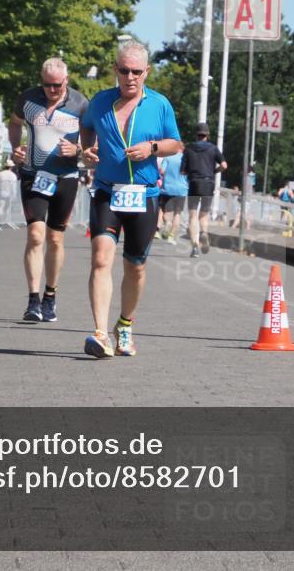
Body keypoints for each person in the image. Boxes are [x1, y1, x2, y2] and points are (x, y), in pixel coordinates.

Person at [79, 41, 182, 358]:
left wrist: (151, 148)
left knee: (135, 266)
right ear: (115, 70)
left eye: (137, 71)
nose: (130, 77)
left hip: (144, 196)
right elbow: (85, 129)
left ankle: (124, 324)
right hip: (108, 191)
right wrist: (88, 150)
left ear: (146, 72)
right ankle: (99, 333)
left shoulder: (160, 104)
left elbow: (176, 144)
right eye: (124, 70)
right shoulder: (100, 102)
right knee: (100, 258)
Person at [9, 57, 89, 323]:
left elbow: (93, 144)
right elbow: (15, 122)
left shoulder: (80, 103)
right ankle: (33, 300)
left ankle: (50, 296)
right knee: (35, 234)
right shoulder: (28, 99)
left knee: (55, 239)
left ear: (66, 81)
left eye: (57, 85)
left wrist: (78, 150)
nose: (52, 90)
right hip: (33, 174)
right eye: (47, 85)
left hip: (65, 176)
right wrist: (15, 148)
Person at [181, 122, 227, 257]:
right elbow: (224, 165)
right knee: (204, 214)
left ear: (196, 135)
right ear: (207, 135)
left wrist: (191, 171)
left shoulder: (188, 149)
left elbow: (183, 171)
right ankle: (204, 233)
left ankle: (195, 246)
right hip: (208, 183)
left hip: (194, 183)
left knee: (193, 215)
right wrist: (214, 171)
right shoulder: (213, 149)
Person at [157, 150, 187, 244]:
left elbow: (162, 171)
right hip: (182, 190)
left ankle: (167, 223)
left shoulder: (168, 157)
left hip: (167, 189)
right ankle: (171, 236)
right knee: (177, 213)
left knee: (164, 210)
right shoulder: (186, 159)